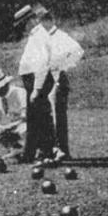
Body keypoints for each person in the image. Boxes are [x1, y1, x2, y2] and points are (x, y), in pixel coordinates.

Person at [15, 4, 56, 163]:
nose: (23, 28)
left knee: (40, 116)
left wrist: (37, 89)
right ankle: (31, 153)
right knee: (34, 117)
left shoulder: (40, 35)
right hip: (32, 79)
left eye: (24, 24)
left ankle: (45, 151)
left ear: (32, 20)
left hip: (37, 79)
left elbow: (42, 64)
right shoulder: (36, 35)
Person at [44, 12, 84, 161]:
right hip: (47, 80)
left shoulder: (59, 36)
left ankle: (61, 150)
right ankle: (55, 149)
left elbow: (78, 51)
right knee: (50, 117)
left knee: (57, 117)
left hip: (58, 80)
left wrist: (62, 67)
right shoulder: (44, 38)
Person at [0, 68, 27, 160]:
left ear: (6, 84)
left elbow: (26, 115)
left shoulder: (20, 93)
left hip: (21, 125)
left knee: (25, 129)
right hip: (6, 126)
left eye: (0, 88)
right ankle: (13, 149)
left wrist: (13, 125)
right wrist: (0, 125)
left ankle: (28, 148)